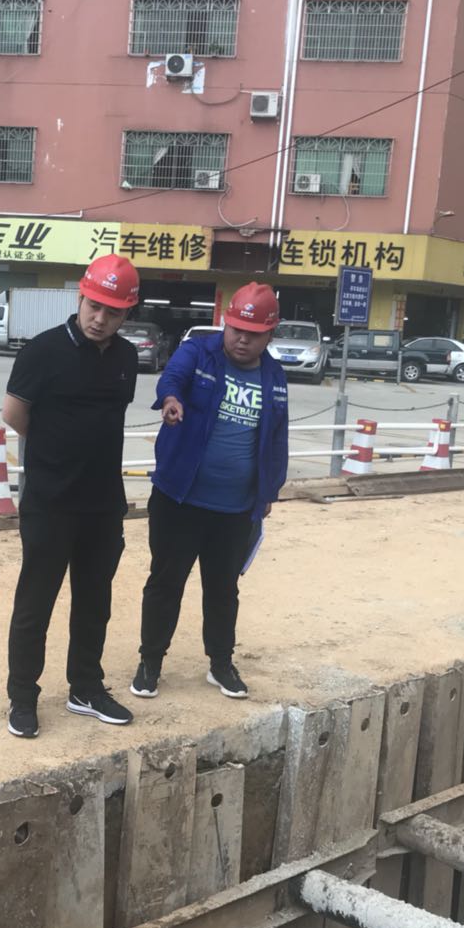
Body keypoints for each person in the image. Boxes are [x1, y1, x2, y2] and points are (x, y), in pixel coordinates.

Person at [1, 254, 141, 739]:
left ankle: (85, 688)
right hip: (50, 502)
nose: (100, 318)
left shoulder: (126, 358)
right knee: (35, 603)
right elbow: (14, 414)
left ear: (126, 314)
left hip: (103, 504)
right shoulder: (41, 351)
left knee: (94, 601)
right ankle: (22, 696)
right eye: (94, 306)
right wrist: (54, 452)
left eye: (113, 312)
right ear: (80, 298)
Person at [131, 283, 290, 702]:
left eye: (253, 334)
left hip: (234, 508)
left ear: (270, 334)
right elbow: (173, 378)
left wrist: (268, 491)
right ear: (225, 323)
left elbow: (276, 437)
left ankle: (221, 663)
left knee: (223, 590)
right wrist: (170, 399)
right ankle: (150, 661)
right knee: (166, 583)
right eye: (236, 329)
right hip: (179, 499)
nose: (242, 339)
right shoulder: (198, 352)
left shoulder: (274, 376)